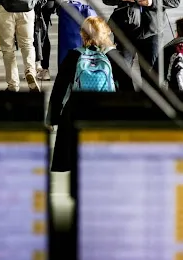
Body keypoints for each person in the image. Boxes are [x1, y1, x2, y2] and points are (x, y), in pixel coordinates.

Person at [48, 16, 134, 171]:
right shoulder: (116, 57)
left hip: (77, 110)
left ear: (82, 34)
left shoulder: (73, 55)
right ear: (106, 33)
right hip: (107, 110)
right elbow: (128, 89)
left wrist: (53, 118)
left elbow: (59, 89)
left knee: (73, 158)